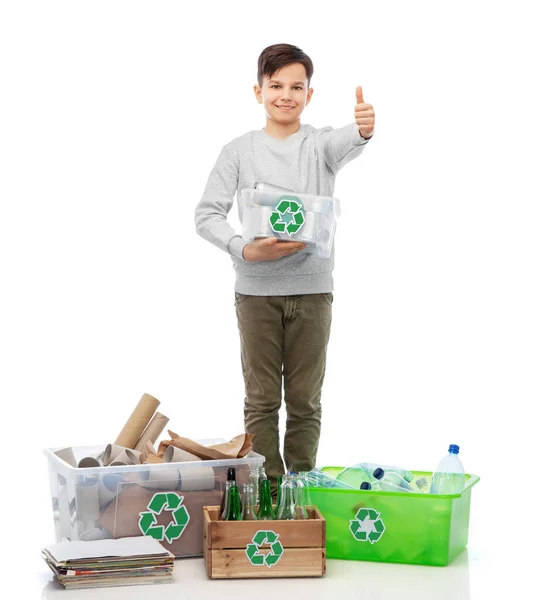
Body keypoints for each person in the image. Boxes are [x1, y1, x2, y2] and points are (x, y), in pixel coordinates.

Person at [195, 43, 375, 494]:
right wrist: (242, 248)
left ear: (309, 96)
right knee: (260, 400)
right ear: (258, 91)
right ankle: (268, 491)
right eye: (276, 85)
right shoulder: (238, 152)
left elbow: (348, 138)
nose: (286, 95)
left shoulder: (319, 146)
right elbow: (207, 214)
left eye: (297, 87)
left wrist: (363, 129)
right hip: (255, 295)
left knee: (304, 400)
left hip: (313, 293)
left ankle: (301, 488)